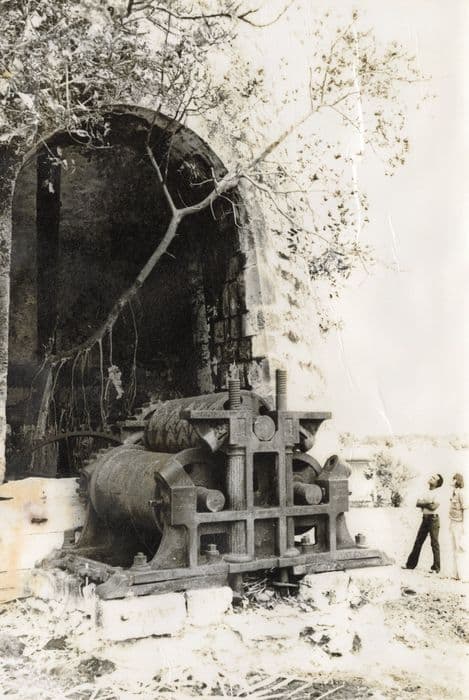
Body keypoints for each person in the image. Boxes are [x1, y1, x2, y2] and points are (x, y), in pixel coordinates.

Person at [403, 473, 444, 573]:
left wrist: (424, 503)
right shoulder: (425, 491)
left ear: (437, 483)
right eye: (432, 476)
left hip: (433, 520)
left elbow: (433, 507)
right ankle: (410, 565)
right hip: (425, 519)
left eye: (434, 478)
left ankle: (436, 568)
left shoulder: (438, 493)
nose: (431, 478)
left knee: (434, 543)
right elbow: (418, 503)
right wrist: (428, 502)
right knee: (418, 542)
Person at [449, 472, 467, 580]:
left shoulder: (461, 493)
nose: (452, 481)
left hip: (459, 524)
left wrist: (465, 526)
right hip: (453, 522)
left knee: (460, 549)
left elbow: (465, 509)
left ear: (457, 480)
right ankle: (456, 574)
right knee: (454, 549)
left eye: (453, 479)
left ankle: (464, 576)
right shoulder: (454, 493)